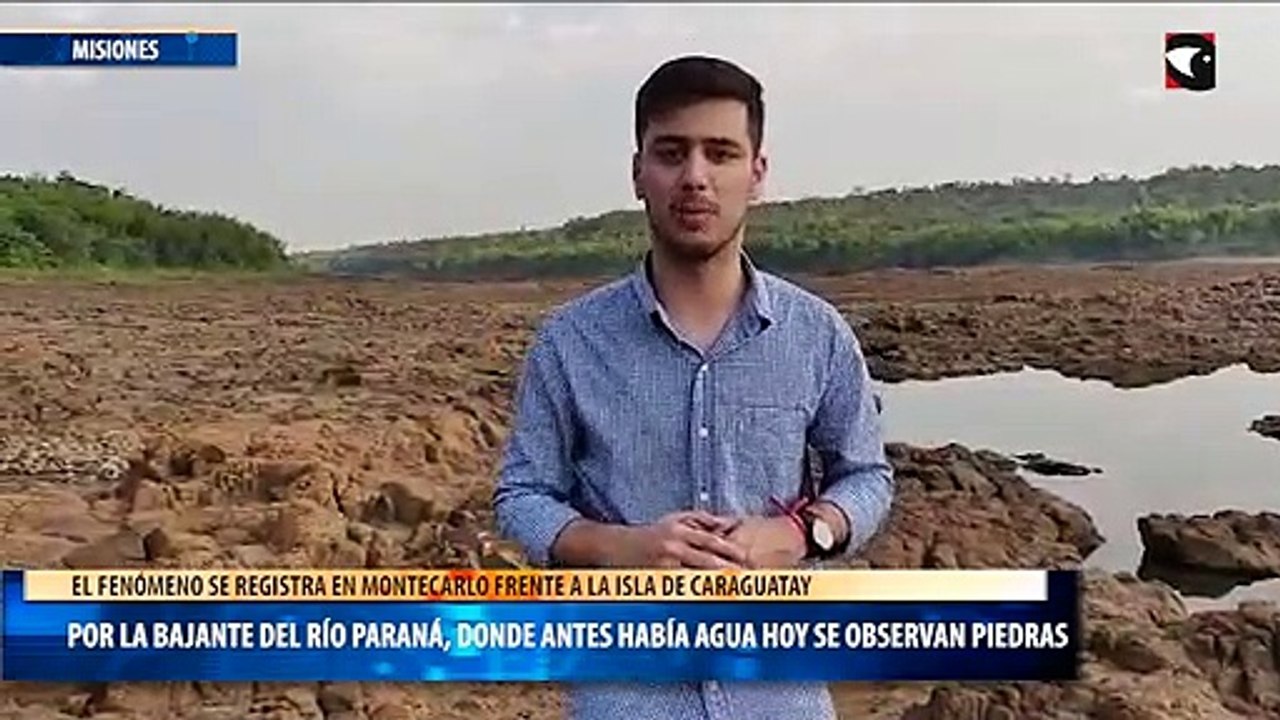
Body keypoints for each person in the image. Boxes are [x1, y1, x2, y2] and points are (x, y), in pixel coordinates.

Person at [493, 54, 895, 720]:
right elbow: (522, 493)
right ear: (638, 173)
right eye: (672, 153)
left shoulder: (816, 334)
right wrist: (620, 547)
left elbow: (867, 476)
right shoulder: (570, 342)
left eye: (721, 153)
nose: (696, 178)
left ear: (757, 174)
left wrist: (801, 535)